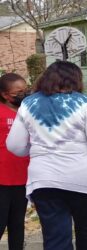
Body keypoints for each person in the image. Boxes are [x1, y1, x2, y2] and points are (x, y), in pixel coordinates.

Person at [6, 61, 87, 250]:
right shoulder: (83, 101)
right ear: (76, 80)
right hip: (83, 180)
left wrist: (38, 149)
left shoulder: (28, 103)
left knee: (55, 240)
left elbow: (14, 145)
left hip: (44, 181)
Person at [0, 73, 30, 250]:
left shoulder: (26, 112)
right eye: (18, 92)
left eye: (25, 90)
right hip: (2, 179)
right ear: (5, 94)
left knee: (17, 224)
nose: (24, 94)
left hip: (22, 177)